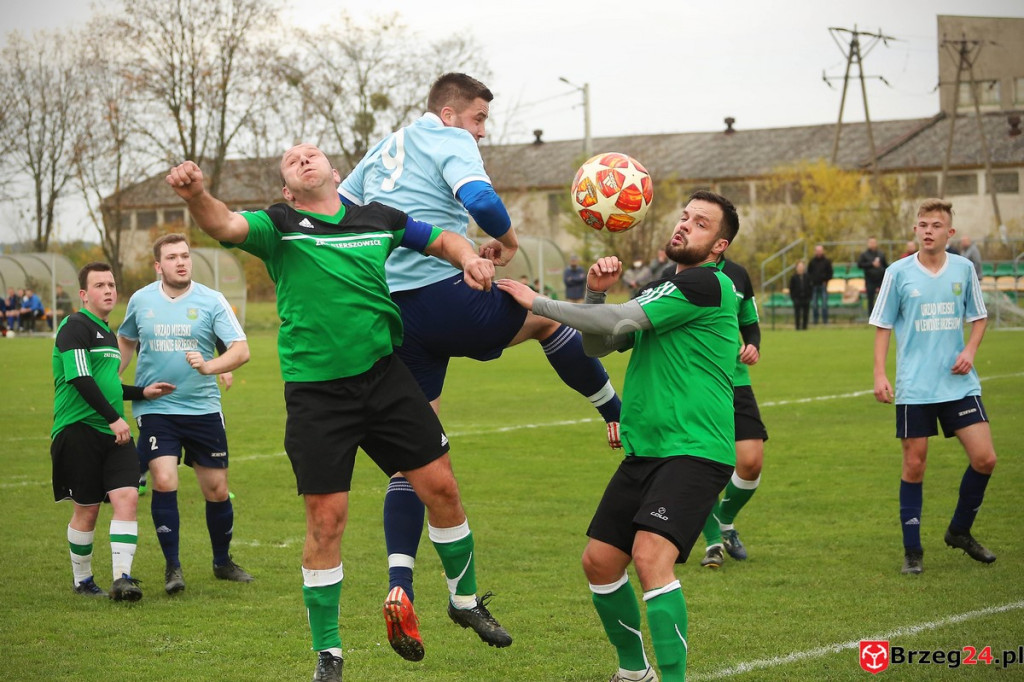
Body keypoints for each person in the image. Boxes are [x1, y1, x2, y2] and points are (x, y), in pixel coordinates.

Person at [165, 144, 512, 682]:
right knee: (327, 522)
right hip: (318, 396)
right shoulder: (281, 225)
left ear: (335, 171)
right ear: (285, 188)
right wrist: (196, 196)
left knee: (441, 487)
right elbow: (226, 225)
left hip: (385, 378)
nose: (303, 160)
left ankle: (463, 601)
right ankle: (329, 654)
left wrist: (466, 256)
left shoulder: (378, 218)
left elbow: (439, 237)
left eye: (312, 154)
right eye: (291, 161)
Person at [339, 72, 621, 661]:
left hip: (391, 315)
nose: (482, 133)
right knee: (543, 316)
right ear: (449, 113)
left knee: (417, 457)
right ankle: (617, 413)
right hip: (443, 297)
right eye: (478, 120)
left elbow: (342, 213)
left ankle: (401, 585)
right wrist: (506, 241)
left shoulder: (383, 148)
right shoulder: (449, 138)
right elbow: (482, 201)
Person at [498, 190, 741, 682]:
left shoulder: (706, 285)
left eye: (700, 223)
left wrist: (539, 301)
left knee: (652, 557)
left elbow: (615, 323)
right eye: (684, 217)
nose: (684, 225)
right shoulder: (663, 286)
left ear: (719, 246)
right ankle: (635, 672)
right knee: (601, 563)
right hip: (649, 446)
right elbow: (603, 343)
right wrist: (593, 294)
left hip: (694, 447)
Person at [117, 233, 253, 596]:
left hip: (203, 409)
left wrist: (211, 366)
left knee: (217, 490)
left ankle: (222, 562)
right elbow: (128, 338)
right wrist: (112, 374)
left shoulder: (212, 300)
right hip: (157, 408)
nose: (181, 262)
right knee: (164, 479)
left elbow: (240, 350)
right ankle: (172, 567)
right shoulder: (142, 300)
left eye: (185, 256)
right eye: (172, 257)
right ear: (158, 266)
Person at [871, 198, 997, 576]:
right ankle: (913, 551)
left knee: (985, 458)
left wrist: (971, 351)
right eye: (923, 224)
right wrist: (880, 373)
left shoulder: (964, 269)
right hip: (915, 388)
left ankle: (959, 530)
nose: (928, 230)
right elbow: (882, 326)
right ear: (915, 230)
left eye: (936, 225)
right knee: (914, 466)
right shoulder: (897, 272)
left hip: (959, 385)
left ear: (949, 232)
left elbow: (978, 318)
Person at [51, 262, 175, 600]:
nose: (108, 290)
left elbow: (108, 384)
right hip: (78, 430)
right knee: (87, 508)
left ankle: (122, 578)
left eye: (111, 284)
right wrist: (113, 418)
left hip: (112, 432)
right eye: (99, 285)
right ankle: (83, 581)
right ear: (83, 294)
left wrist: (141, 393)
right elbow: (79, 378)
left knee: (128, 497)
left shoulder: (107, 332)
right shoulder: (73, 326)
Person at [698, 257, 769, 569]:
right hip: (695, 382)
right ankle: (713, 542)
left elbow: (750, 324)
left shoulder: (738, 274)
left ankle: (724, 519)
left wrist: (752, 344)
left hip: (735, 379)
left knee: (751, 462)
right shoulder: (674, 275)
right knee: (701, 463)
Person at [857, 237, 888, 314]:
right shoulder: (864, 255)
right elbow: (859, 265)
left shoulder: (881, 254)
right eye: (871, 242)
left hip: (881, 280)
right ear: (868, 244)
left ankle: (883, 315)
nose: (872, 244)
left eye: (874, 242)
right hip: (870, 280)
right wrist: (871, 264)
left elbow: (885, 265)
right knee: (870, 299)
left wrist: (882, 270)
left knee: (884, 298)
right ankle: (871, 316)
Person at [806, 244, 833, 325]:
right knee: (814, 304)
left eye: (820, 250)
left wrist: (826, 280)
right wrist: (811, 281)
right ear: (815, 251)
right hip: (814, 286)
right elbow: (809, 273)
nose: (819, 252)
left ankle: (825, 321)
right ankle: (815, 321)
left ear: (822, 251)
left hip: (823, 285)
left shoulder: (827, 262)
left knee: (824, 304)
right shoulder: (812, 262)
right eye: (817, 251)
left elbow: (830, 273)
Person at [788, 260, 812, 330]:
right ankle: (797, 327)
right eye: (799, 266)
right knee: (797, 314)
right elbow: (791, 288)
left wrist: (809, 297)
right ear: (796, 268)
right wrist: (793, 297)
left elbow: (810, 287)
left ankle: (805, 327)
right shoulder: (793, 277)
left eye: (802, 266)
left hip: (806, 298)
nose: (800, 268)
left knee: (805, 314)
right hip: (797, 298)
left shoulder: (807, 277)